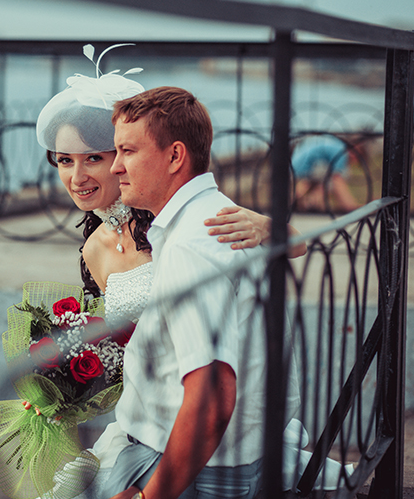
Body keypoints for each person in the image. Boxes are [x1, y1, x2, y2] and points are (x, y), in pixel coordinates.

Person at [34, 53, 314, 499]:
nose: (77, 176)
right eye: (64, 160)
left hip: (196, 434)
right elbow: (139, 342)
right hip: (156, 415)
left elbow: (212, 390)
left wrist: (267, 226)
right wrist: (68, 378)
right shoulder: (96, 248)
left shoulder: (183, 226)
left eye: (99, 157)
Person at [101, 86, 301, 499]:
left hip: (191, 472)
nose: (115, 167)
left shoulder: (192, 245)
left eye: (128, 151)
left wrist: (149, 496)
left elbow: (212, 399)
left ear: (175, 156)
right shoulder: (218, 215)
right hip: (225, 459)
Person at [292, 134, 359, 213]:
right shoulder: (342, 152)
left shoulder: (338, 145)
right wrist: (349, 205)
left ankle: (306, 202)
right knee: (332, 182)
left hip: (296, 162)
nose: (354, 162)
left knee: (321, 180)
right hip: (304, 165)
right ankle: (310, 202)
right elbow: (337, 179)